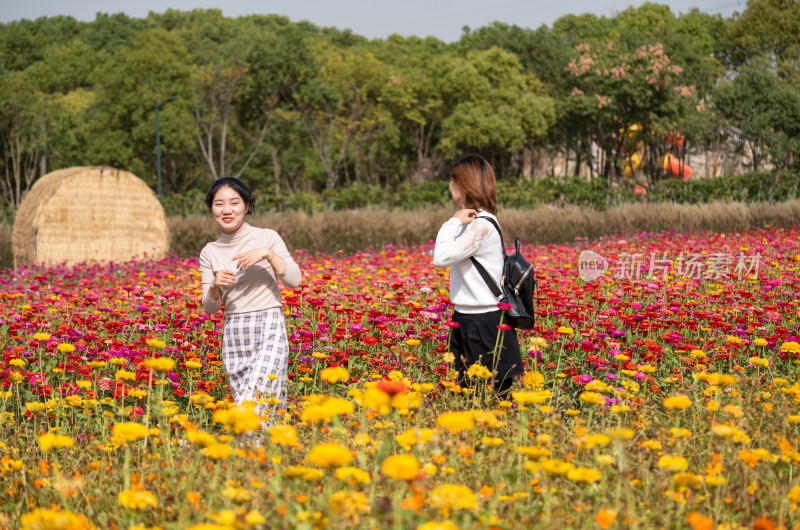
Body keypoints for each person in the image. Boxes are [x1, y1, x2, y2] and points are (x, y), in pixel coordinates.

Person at [199, 177, 302, 423]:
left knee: (252, 401)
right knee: (259, 406)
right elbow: (210, 307)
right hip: (234, 331)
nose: (226, 210)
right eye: (219, 204)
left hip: (268, 326)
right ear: (211, 208)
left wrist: (267, 254)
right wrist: (215, 285)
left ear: (246, 205)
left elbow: (294, 280)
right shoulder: (210, 251)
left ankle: (237, 448)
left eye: (234, 203)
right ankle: (259, 457)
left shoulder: (267, 237)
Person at [433, 154, 523, 398]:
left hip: (485, 322)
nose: (449, 186)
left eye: (453, 181)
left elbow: (441, 257)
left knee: (492, 398)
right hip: (465, 318)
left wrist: (451, 223)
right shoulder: (472, 222)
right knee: (465, 394)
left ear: (464, 186)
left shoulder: (481, 225)